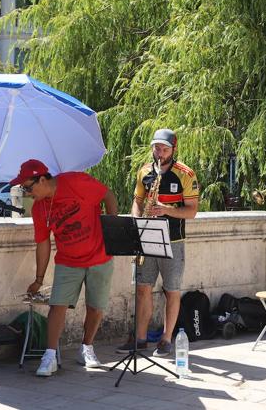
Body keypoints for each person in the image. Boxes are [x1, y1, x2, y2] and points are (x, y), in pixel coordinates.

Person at [13, 159, 118, 377]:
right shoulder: (39, 208)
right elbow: (42, 243)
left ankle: (86, 348)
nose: (26, 193)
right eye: (22, 189)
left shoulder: (76, 181)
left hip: (99, 256)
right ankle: (49, 356)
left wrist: (112, 230)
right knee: (57, 305)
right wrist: (39, 279)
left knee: (96, 306)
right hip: (68, 261)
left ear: (42, 179)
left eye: (27, 187)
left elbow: (108, 195)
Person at [116, 129, 199, 357]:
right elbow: (137, 200)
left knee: (171, 290)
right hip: (146, 237)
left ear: (174, 149)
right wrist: (136, 220)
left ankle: (165, 339)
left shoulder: (185, 174)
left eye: (164, 149)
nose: (160, 153)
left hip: (173, 240)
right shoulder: (144, 171)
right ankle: (140, 339)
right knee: (142, 289)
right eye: (156, 148)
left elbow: (192, 212)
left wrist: (165, 210)